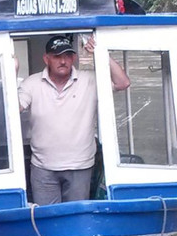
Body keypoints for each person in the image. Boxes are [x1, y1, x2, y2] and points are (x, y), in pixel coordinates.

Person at [17, 34, 130, 205]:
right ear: (46, 59)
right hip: (43, 168)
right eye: (57, 56)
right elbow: (13, 109)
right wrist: (13, 70)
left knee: (76, 223)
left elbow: (123, 83)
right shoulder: (31, 83)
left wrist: (101, 53)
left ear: (74, 58)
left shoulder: (90, 80)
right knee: (47, 223)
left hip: (80, 167)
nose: (63, 61)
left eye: (67, 56)